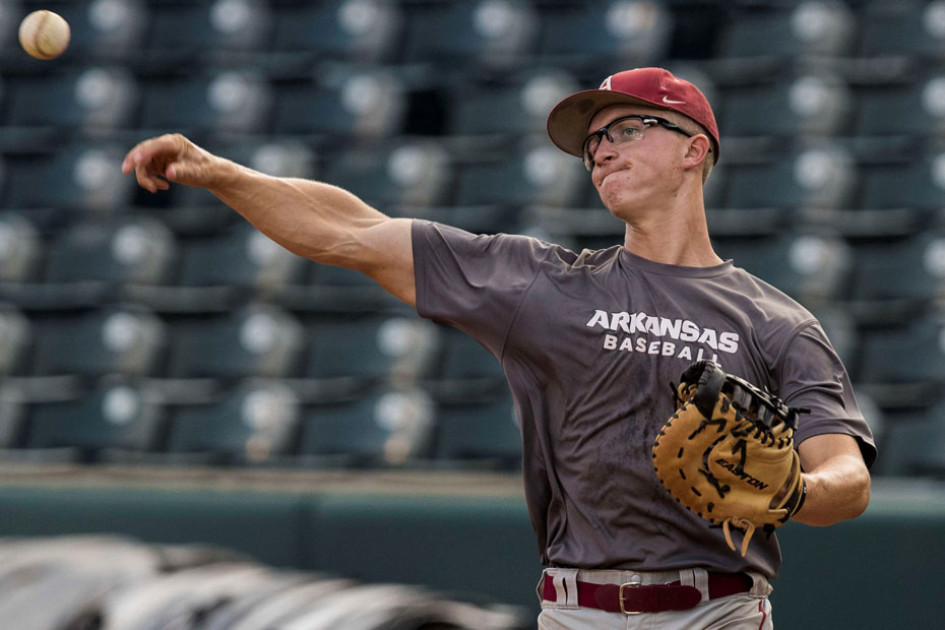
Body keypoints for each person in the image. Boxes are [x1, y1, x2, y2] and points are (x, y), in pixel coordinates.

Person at [122, 66, 875, 629]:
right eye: (591, 144)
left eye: (623, 130)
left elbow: (846, 478)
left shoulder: (774, 321)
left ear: (692, 150)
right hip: (578, 611)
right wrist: (219, 172)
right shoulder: (544, 285)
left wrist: (796, 494)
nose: (599, 151)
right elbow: (350, 230)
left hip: (716, 615)